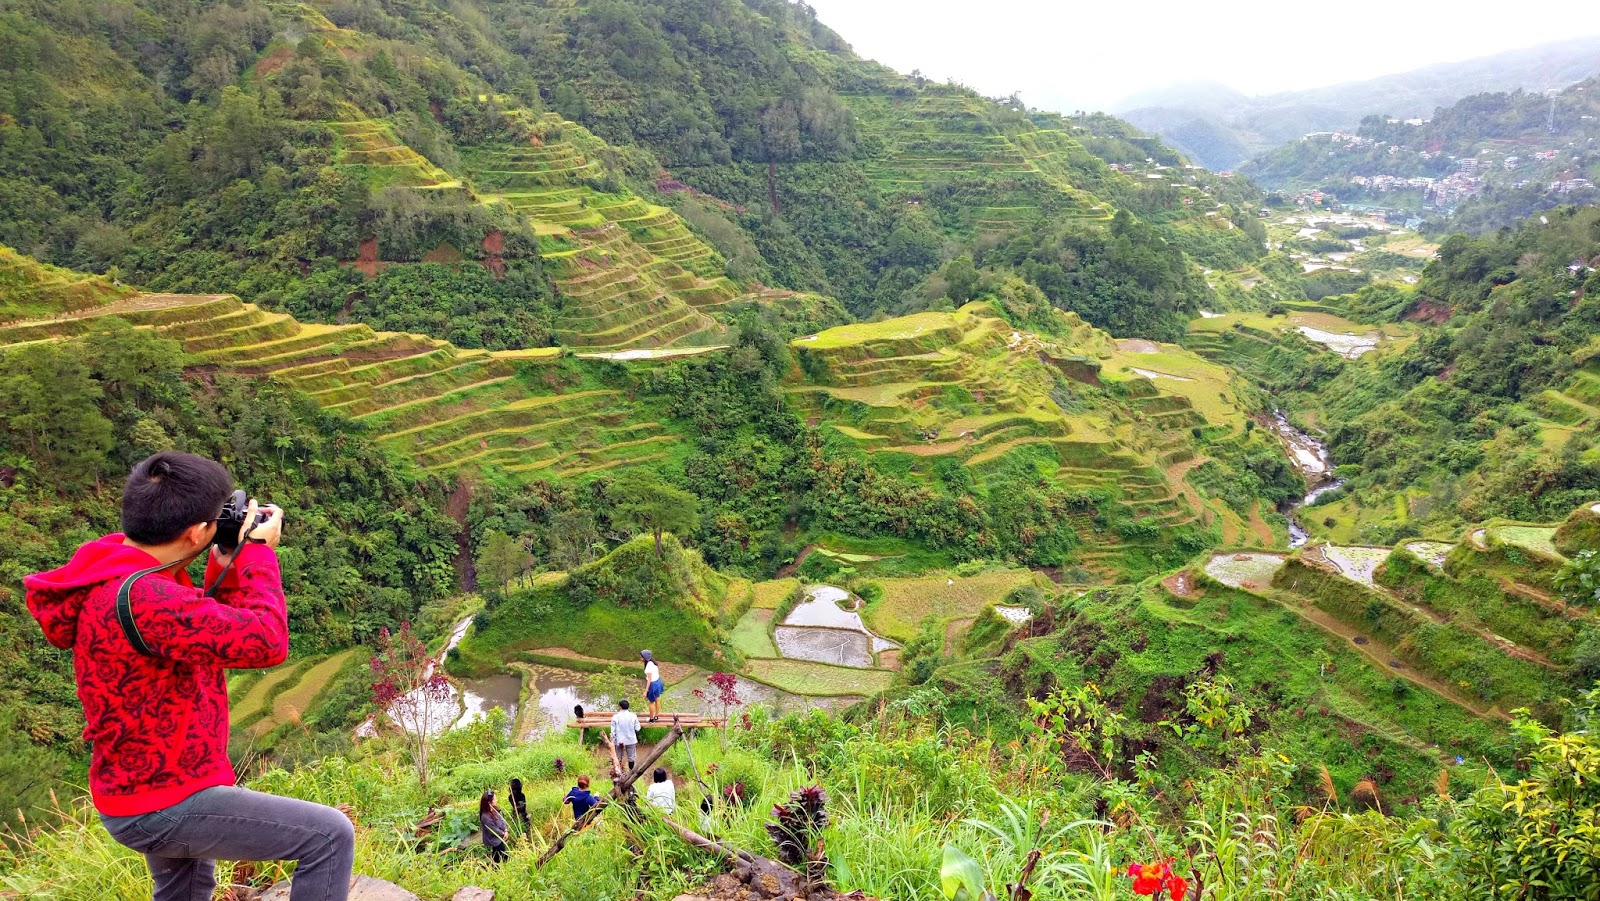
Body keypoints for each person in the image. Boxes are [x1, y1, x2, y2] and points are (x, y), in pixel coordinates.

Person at [24, 451, 355, 901]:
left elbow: (198, 621)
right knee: (329, 836)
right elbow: (266, 640)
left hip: (146, 784)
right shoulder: (148, 598)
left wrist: (222, 558)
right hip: (165, 800)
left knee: (188, 890)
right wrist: (254, 552)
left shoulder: (113, 566)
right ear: (197, 531)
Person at [480, 790, 509, 864]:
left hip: (500, 836)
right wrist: (503, 833)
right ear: (489, 802)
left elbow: (502, 820)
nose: (496, 800)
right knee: (500, 857)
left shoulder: (494, 809)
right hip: (493, 839)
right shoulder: (485, 817)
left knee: (504, 854)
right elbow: (493, 830)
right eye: (495, 799)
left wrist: (505, 830)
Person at [611, 699, 640, 771]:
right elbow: (637, 728)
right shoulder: (633, 716)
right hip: (631, 740)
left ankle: (619, 771)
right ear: (628, 707)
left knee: (618, 757)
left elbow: (613, 732)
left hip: (619, 741)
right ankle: (631, 772)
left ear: (620, 707)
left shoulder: (615, 717)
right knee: (631, 757)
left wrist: (613, 741)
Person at [642, 649, 665, 722]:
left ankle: (651, 719)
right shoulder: (653, 662)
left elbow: (649, 679)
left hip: (653, 684)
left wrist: (646, 691)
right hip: (658, 682)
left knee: (651, 702)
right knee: (657, 699)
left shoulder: (649, 666)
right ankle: (656, 716)